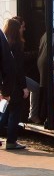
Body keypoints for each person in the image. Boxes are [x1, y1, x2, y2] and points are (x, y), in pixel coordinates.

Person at [0, 19, 29, 149]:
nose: (24, 29)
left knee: (4, 111)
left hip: (5, 83)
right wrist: (24, 87)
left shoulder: (5, 41)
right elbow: (17, 69)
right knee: (14, 112)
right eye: (22, 27)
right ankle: (11, 141)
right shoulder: (17, 45)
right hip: (14, 85)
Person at [12, 16, 42, 124]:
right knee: (36, 88)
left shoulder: (9, 40)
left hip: (11, 77)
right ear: (17, 27)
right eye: (23, 27)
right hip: (16, 77)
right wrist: (36, 53)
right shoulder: (16, 43)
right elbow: (20, 60)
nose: (24, 29)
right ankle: (33, 115)